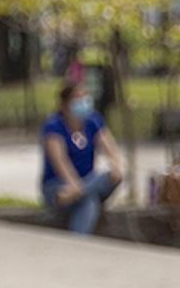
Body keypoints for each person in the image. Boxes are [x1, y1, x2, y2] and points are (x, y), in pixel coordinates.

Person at [41, 74, 122, 234]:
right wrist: (72, 183)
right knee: (90, 202)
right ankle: (79, 241)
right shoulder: (54, 126)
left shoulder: (93, 121)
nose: (83, 102)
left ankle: (81, 193)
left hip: (85, 184)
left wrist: (116, 165)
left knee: (104, 180)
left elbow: (109, 147)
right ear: (65, 104)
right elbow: (60, 160)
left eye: (85, 97)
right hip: (58, 185)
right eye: (78, 99)